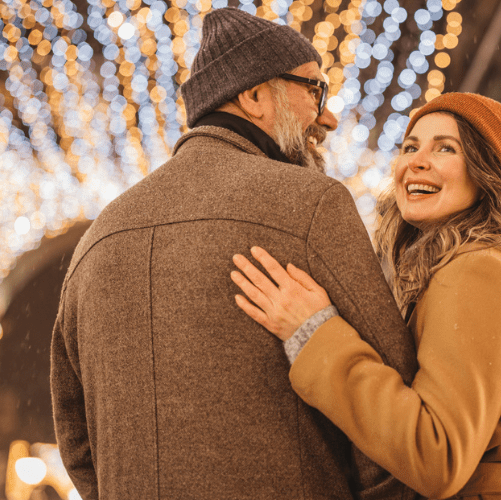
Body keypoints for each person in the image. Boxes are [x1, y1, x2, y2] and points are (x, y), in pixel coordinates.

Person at [50, 7, 418, 499]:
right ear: (253, 95)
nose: (327, 116)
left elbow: (76, 442)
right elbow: (393, 411)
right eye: (314, 89)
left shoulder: (96, 242)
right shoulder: (311, 204)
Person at [231, 92, 501, 499]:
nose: (415, 161)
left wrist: (315, 334)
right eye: (410, 147)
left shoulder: (476, 270)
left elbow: (438, 455)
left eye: (445, 148)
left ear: (485, 173)